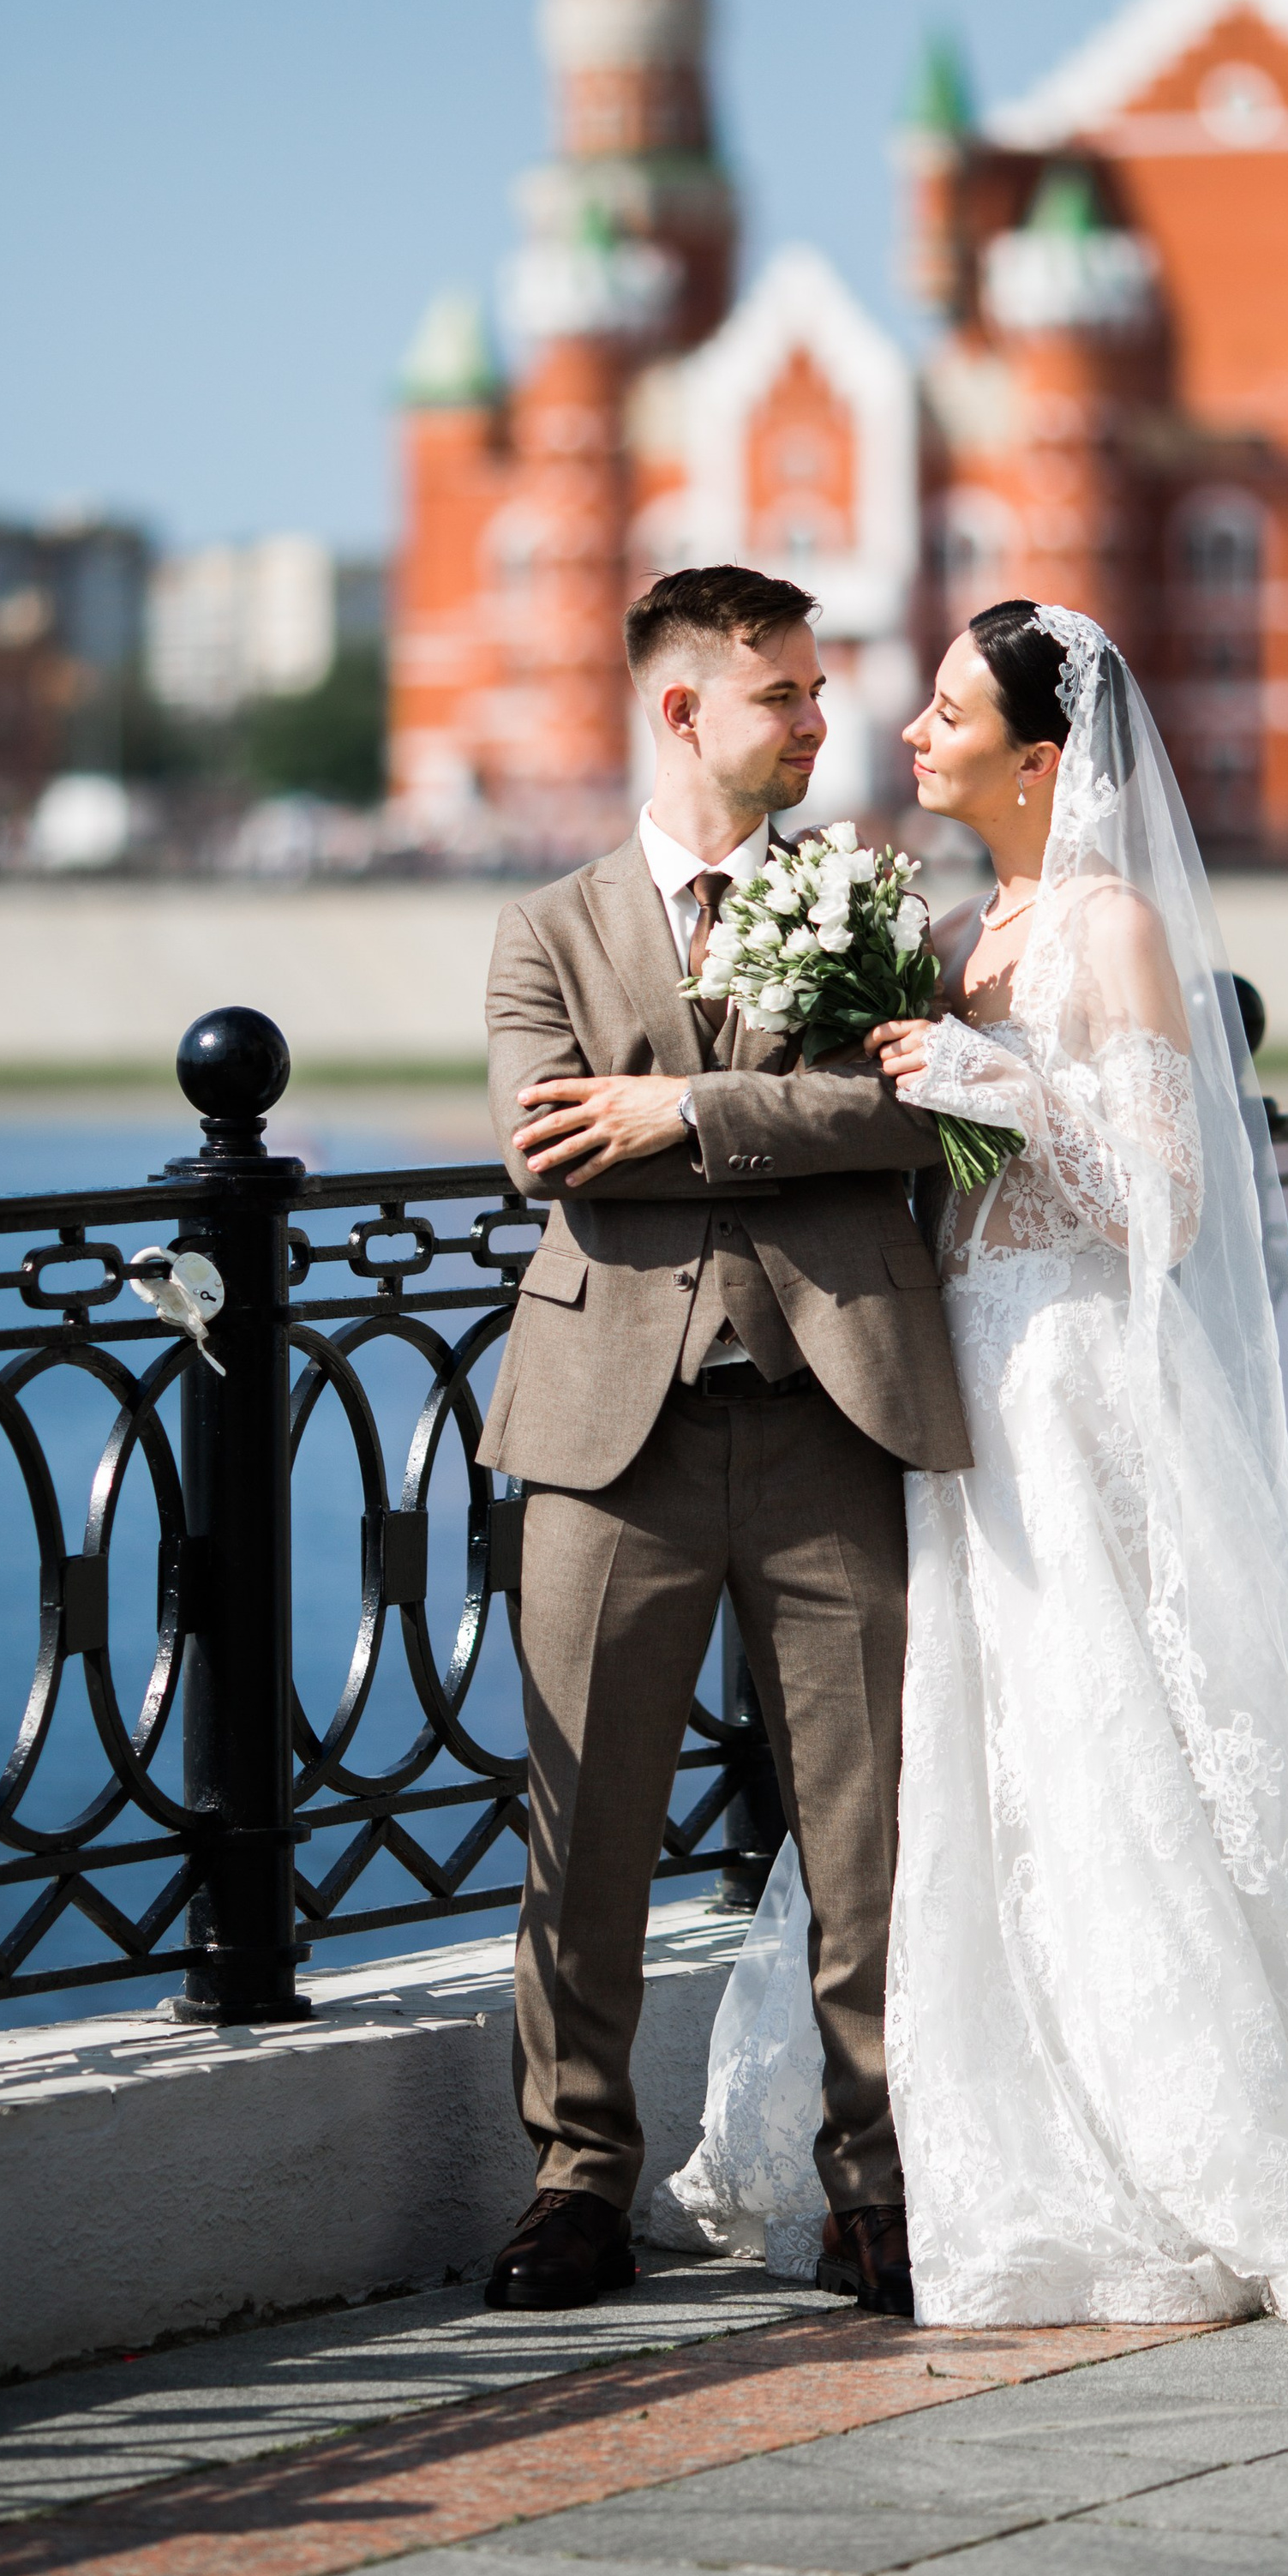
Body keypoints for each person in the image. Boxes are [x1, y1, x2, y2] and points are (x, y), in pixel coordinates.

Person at [654, 600, 1288, 2331]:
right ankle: (1020, 2135)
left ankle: (1208, 2140)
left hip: (1069, 1383)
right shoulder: (962, 930)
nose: (911, 732)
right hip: (957, 1391)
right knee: (984, 1765)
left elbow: (1163, 1198)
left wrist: (993, 1087)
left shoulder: (1109, 929)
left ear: (1040, 756)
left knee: (1107, 1738)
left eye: (952, 710)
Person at [476, 563, 970, 2318]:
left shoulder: (871, 898)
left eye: (819, 692)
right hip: (609, 1439)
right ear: (682, 707)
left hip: (836, 1414)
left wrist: (675, 1104)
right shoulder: (547, 930)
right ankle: (574, 2184)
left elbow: (910, 1120)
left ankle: (875, 2186)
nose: (819, 721)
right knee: (581, 1828)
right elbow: (546, 1152)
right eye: (786, 695)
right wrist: (777, 1124)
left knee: (867, 1835)